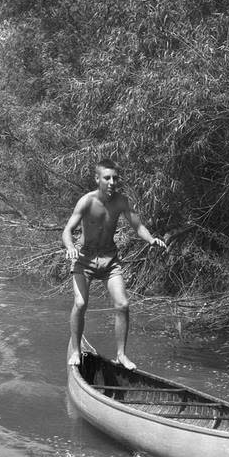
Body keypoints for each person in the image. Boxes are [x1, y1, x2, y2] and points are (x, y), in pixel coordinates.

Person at [63, 158, 166, 369]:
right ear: (97, 179)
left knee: (123, 305)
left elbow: (138, 226)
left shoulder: (121, 201)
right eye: (107, 178)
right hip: (84, 260)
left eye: (115, 178)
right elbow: (66, 230)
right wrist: (70, 247)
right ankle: (75, 350)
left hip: (110, 261)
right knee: (81, 304)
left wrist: (150, 239)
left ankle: (121, 355)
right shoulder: (87, 201)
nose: (111, 182)